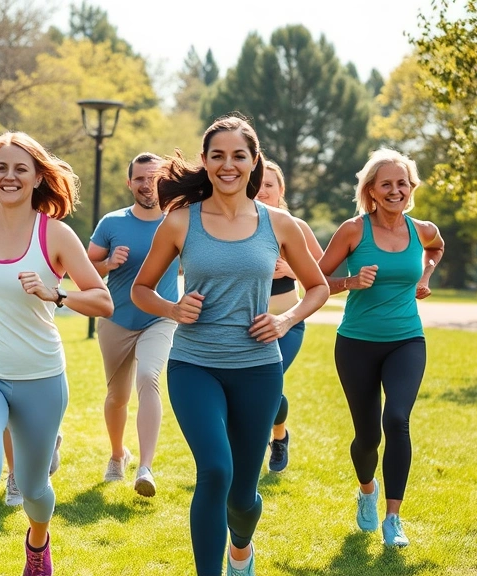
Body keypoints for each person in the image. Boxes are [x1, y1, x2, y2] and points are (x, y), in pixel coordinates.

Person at [130, 114, 328, 576]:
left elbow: (317, 286)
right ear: (205, 161)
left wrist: (285, 319)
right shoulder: (180, 222)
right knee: (215, 471)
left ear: (253, 162)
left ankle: (241, 548)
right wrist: (173, 309)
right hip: (194, 364)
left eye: (239, 155)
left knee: (242, 496)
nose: (228, 164)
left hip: (258, 368)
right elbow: (142, 289)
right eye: (217, 155)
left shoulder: (280, 224)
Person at [0, 132, 113, 576]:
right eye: (1, 168)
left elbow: (102, 300)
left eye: (21, 169)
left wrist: (56, 294)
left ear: (37, 177)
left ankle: (38, 540)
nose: (10, 176)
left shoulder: (54, 234)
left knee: (34, 488)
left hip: (40, 376)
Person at [319, 148, 443, 547]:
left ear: (411, 188)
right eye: (386, 184)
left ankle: (394, 518)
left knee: (398, 420)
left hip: (407, 339)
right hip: (356, 343)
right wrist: (349, 283)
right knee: (368, 434)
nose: (395, 190)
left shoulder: (422, 230)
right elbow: (317, 279)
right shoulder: (354, 230)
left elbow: (437, 248)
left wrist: (426, 273)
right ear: (371, 190)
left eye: (401, 183)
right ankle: (367, 490)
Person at [87, 152, 179, 496]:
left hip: (160, 317)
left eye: (153, 177)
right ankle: (117, 455)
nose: (147, 184)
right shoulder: (112, 223)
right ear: (129, 183)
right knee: (117, 396)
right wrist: (109, 263)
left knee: (148, 378)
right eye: (140, 178)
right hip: (117, 319)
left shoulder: (177, 220)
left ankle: (146, 467)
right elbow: (83, 268)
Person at [254, 161, 324, 472]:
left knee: (268, 385)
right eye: (258, 183)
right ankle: (278, 435)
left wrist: (291, 270)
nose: (263, 190)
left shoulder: (295, 227)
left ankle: (270, 442)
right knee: (258, 389)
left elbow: (327, 273)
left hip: (287, 324)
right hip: (245, 326)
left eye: (270, 184)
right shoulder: (238, 226)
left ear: (281, 190)